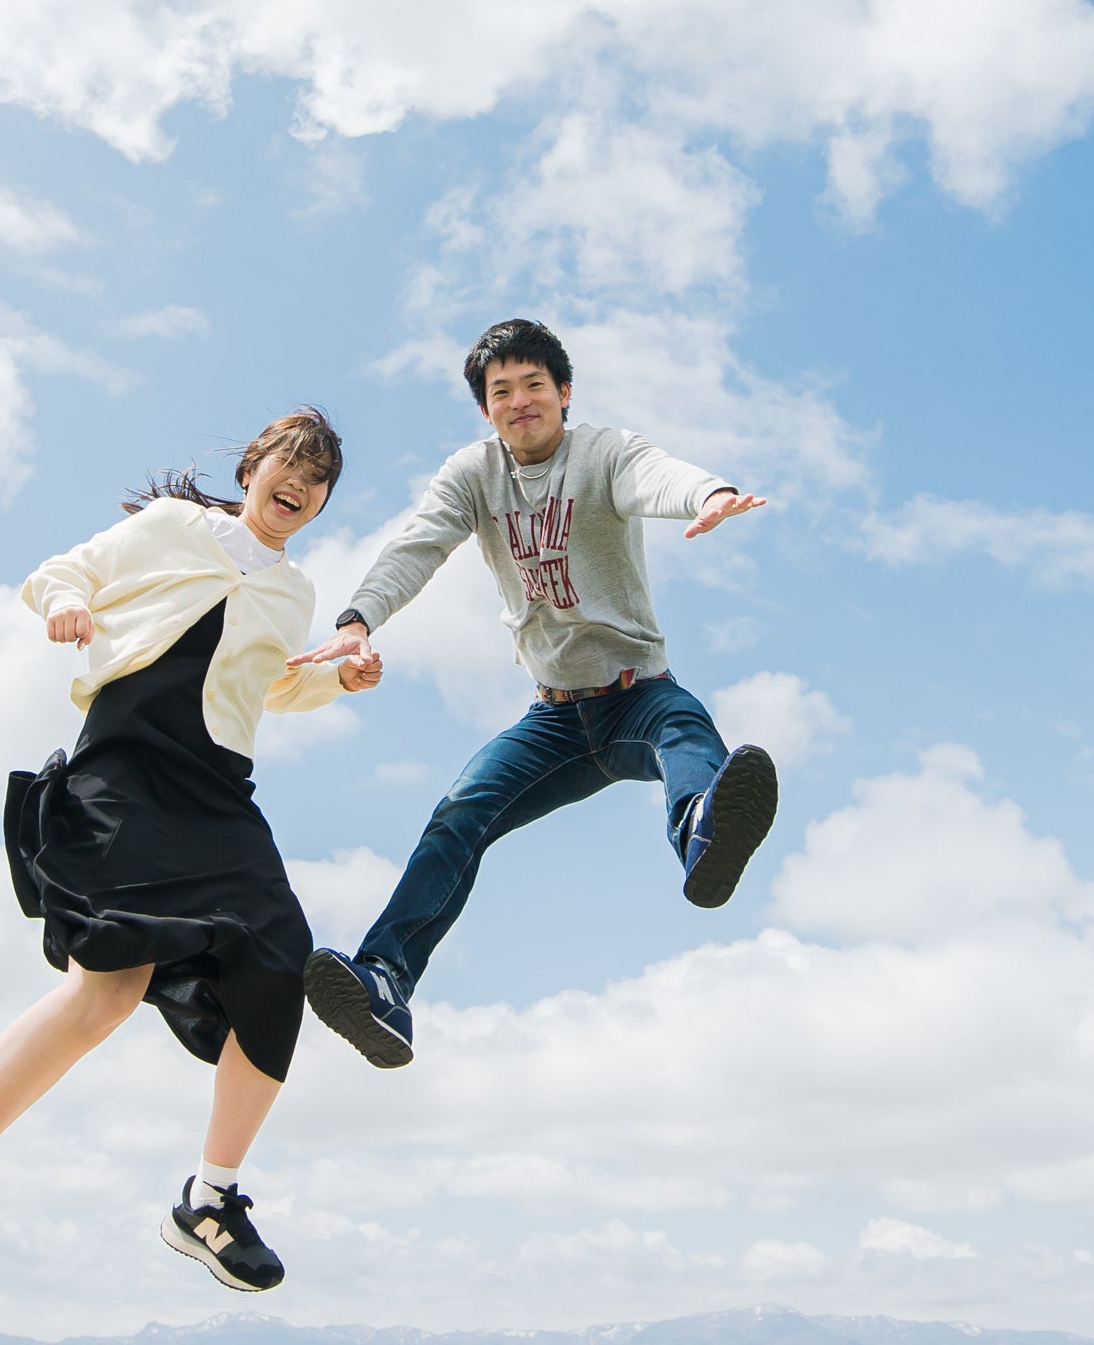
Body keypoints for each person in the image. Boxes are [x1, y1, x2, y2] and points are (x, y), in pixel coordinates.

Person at [0, 408, 379, 1295]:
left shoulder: (295, 593)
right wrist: (68, 602)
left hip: (218, 791)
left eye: (319, 477)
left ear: (322, 501)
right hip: (127, 767)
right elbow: (63, 571)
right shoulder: (176, 527)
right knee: (106, 990)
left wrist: (339, 675)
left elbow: (272, 685)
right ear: (255, 465)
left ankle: (209, 1202)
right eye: (288, 462)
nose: (299, 482)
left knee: (279, 973)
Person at [285, 318, 775, 1069]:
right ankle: (384, 979)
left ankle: (703, 831)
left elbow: (655, 474)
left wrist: (709, 492)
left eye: (533, 386)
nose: (519, 402)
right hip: (550, 720)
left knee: (687, 732)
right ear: (486, 408)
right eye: (500, 391)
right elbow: (419, 543)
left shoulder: (602, 452)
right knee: (458, 816)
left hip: (635, 693)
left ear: (564, 392)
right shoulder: (473, 475)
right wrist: (358, 619)